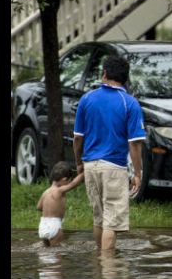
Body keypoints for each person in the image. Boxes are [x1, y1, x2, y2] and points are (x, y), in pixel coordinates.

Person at [73, 55, 145, 252]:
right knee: (111, 222)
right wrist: (137, 173)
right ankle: (109, 271)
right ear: (125, 78)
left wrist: (79, 163)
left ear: (104, 74)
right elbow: (135, 144)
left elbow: (78, 138)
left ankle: (99, 267)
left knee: (99, 218)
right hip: (113, 167)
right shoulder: (130, 103)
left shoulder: (86, 99)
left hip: (90, 166)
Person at [37, 161, 84, 247]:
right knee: (57, 254)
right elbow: (74, 184)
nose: (69, 183)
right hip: (54, 225)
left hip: (43, 225)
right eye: (68, 181)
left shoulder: (45, 192)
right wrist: (84, 172)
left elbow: (39, 207)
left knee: (45, 254)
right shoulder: (59, 191)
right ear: (64, 179)